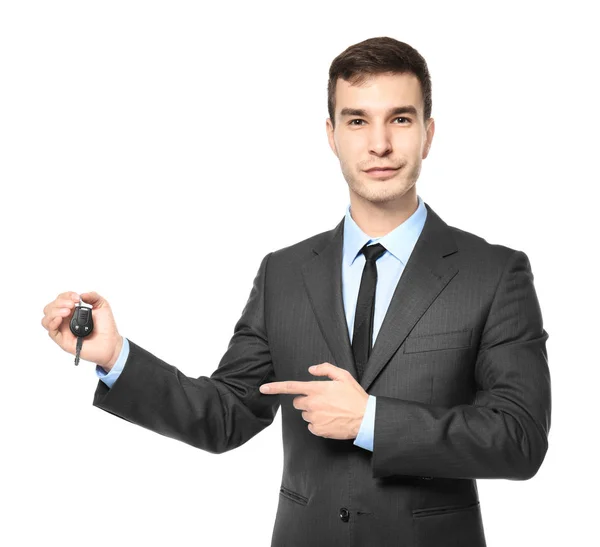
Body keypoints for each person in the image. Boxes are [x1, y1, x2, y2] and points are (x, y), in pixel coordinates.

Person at [41, 36, 551, 546]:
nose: (379, 143)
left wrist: (371, 420)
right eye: (357, 120)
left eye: (399, 119)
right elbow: (225, 414)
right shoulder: (283, 274)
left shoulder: (494, 273)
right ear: (331, 134)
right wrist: (116, 357)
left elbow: (520, 438)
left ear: (428, 133)